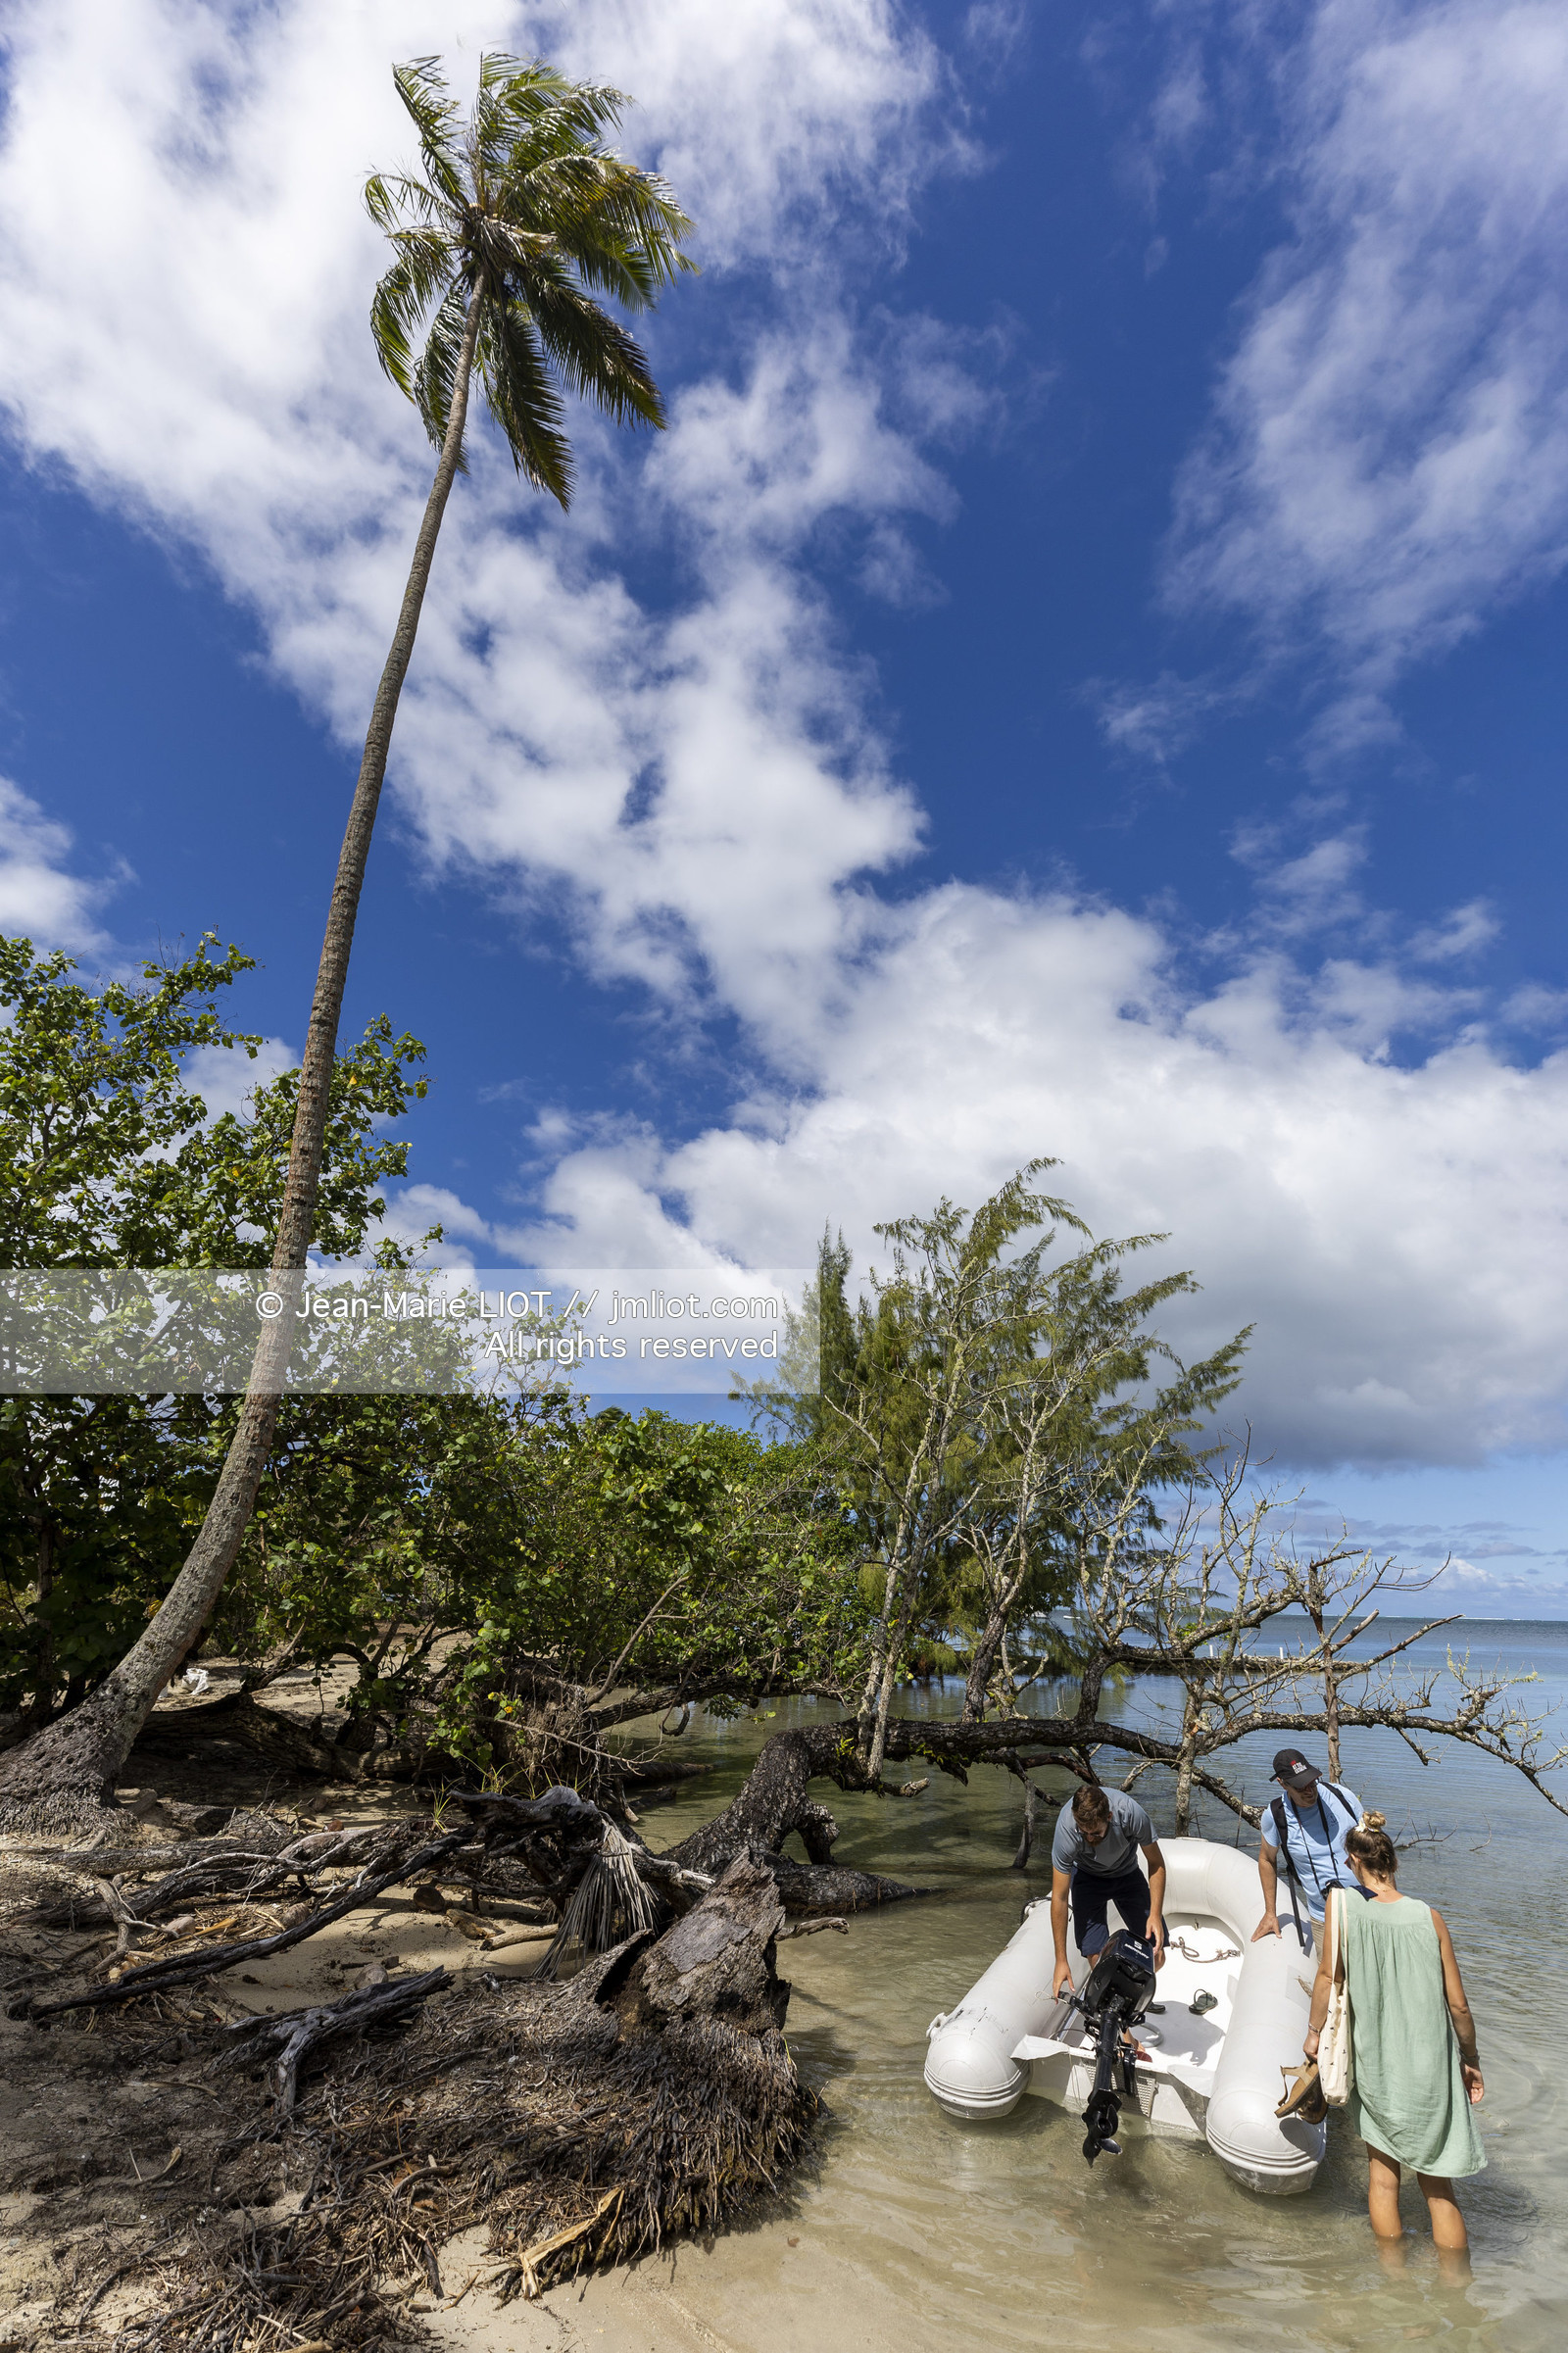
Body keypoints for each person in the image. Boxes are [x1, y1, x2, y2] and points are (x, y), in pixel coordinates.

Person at [1304, 1810, 1485, 2271]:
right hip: (1432, 2070)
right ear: (1392, 1863)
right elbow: (1459, 2007)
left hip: (1377, 2063)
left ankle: (1396, 2289)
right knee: (1439, 2189)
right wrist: (1471, 2059)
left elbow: (1328, 1976)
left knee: (1383, 2181)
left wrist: (1312, 2035)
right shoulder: (1430, 1917)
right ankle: (1455, 2291)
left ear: (1353, 1862)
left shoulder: (1342, 1908)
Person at [1050, 1783, 1166, 1998]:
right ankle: (1122, 2025)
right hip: (1086, 1877)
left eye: (1096, 1833)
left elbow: (1156, 1863)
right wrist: (1061, 1960)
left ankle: (1129, 1997)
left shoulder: (1130, 1813)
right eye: (1083, 1833)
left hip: (1127, 1873)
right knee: (1098, 1958)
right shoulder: (1066, 1829)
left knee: (1158, 1957)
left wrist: (1155, 1915)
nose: (1089, 1839)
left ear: (1110, 1816)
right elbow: (1059, 1896)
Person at [1252, 1747, 1363, 1955]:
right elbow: (1267, 1859)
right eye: (1300, 1786)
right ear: (1282, 1783)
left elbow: (1378, 1850)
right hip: (1323, 1917)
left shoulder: (1342, 1797)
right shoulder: (1275, 1816)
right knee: (1332, 1982)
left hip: (1367, 1908)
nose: (1309, 1790)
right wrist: (1270, 1912)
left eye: (1311, 1781)